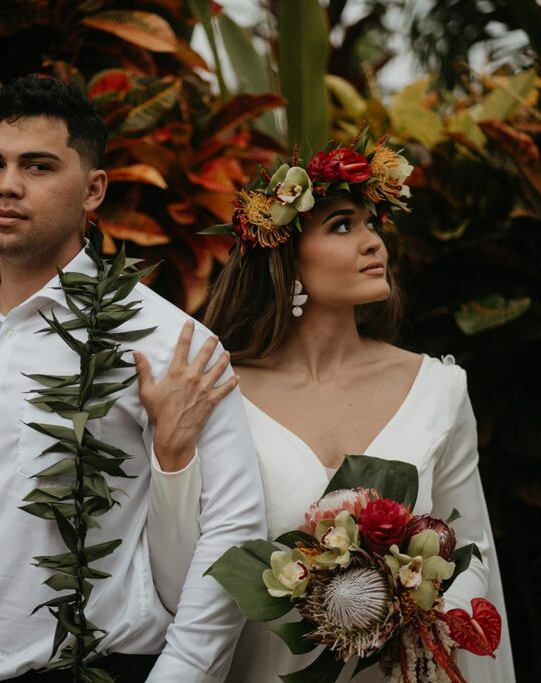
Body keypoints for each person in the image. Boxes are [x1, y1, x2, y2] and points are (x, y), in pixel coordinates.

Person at [0, 74, 266, 683]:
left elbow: (236, 528)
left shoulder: (165, 341)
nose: (6, 185)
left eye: (37, 167)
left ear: (93, 189)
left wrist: (182, 674)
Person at [138, 134, 516, 682]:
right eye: (342, 225)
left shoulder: (439, 389)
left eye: (372, 225)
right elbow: (180, 584)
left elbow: (473, 551)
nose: (372, 243)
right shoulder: (221, 394)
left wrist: (414, 606)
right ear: (286, 256)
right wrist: (171, 450)